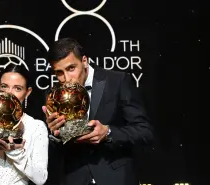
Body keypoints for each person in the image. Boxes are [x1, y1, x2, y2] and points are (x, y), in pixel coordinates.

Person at [42, 37, 154, 185]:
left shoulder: (118, 81)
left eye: (71, 68)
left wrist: (108, 133)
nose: (66, 78)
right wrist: (54, 134)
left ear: (84, 61)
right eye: (59, 73)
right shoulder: (54, 96)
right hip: (75, 178)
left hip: (116, 178)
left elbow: (144, 132)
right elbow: (55, 154)